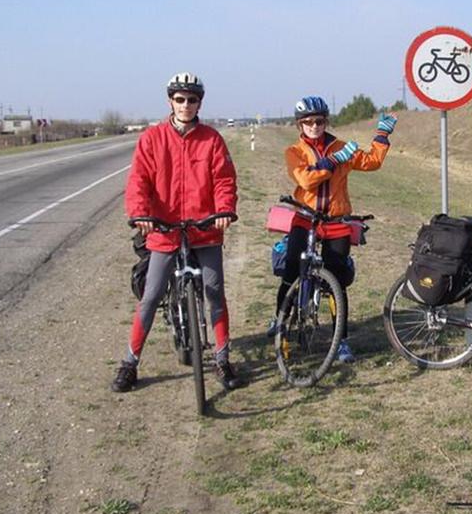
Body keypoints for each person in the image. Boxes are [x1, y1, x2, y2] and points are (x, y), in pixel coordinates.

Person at [111, 72, 244, 393]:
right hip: (164, 230)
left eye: (192, 99)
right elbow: (139, 181)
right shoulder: (152, 138)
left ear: (200, 102)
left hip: (205, 228)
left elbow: (224, 179)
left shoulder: (212, 139)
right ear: (170, 101)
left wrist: (224, 210)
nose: (186, 104)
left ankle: (222, 358)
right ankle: (130, 363)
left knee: (214, 291)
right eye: (180, 99)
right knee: (152, 294)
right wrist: (141, 214)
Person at [268, 95, 397, 363]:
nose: (314, 126)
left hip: (336, 222)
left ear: (326, 121)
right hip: (305, 219)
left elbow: (372, 161)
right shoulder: (294, 152)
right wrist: (331, 162)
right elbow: (305, 180)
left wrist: (382, 135)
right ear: (299, 125)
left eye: (319, 121)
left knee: (337, 282)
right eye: (308, 122)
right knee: (291, 273)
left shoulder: (341, 147)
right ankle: (280, 322)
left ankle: (341, 341)